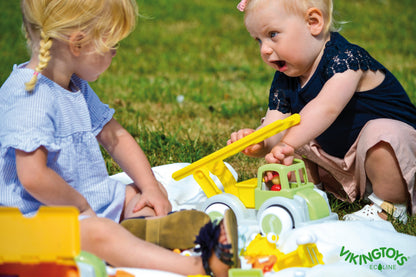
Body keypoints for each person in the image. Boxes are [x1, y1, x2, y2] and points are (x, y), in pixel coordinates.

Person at [0, 0, 238, 276]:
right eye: (112, 46)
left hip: (81, 201)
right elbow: (32, 177)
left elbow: (115, 136)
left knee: (133, 197)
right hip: (30, 222)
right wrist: (80, 206)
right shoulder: (30, 98)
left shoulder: (74, 86)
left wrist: (149, 187)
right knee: (99, 232)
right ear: (77, 44)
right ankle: (198, 265)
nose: (115, 54)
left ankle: (149, 233)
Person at [229, 0, 416, 223]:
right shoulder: (286, 78)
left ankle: (391, 205)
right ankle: (310, 194)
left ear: (313, 23)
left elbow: (326, 108)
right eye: (258, 40)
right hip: (343, 163)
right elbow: (275, 124)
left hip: (395, 159)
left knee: (381, 132)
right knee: (291, 131)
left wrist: (286, 143)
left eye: (273, 35)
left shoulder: (345, 59)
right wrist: (260, 142)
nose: (265, 49)